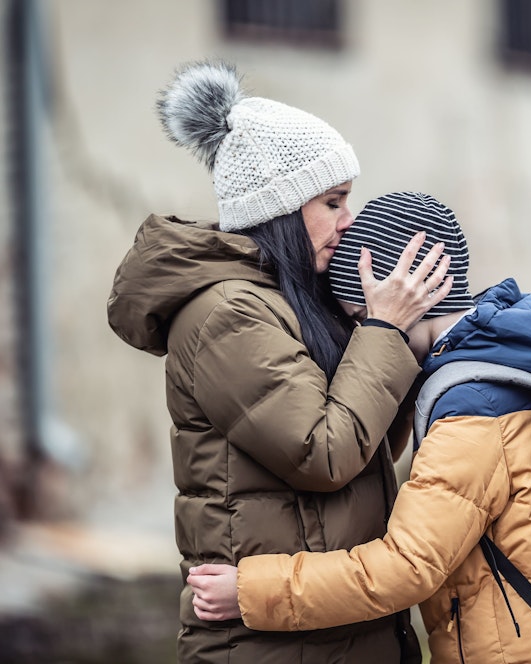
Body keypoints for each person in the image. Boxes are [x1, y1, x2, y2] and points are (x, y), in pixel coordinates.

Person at [107, 63, 452, 663]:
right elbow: (323, 454)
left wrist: (399, 341)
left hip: (329, 627)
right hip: (268, 644)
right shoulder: (228, 315)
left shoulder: (287, 301)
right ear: (282, 207)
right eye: (333, 202)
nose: (350, 223)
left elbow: (370, 446)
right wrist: (383, 330)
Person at [187, 192, 531, 663]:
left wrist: (253, 591)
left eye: (364, 318)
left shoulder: (472, 411)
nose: (364, 335)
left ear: (412, 293)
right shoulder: (496, 367)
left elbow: (404, 568)